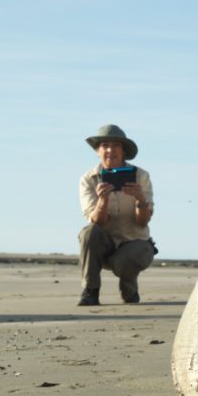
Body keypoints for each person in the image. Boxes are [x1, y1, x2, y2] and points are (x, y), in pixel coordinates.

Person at [78, 124, 156, 306]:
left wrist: (140, 199)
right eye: (105, 145)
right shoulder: (88, 179)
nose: (110, 150)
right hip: (104, 246)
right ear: (98, 151)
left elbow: (143, 222)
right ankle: (90, 290)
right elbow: (97, 222)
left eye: (116, 146)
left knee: (129, 257)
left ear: (123, 151)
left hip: (134, 244)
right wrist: (102, 200)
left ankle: (129, 287)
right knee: (88, 233)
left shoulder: (141, 176)